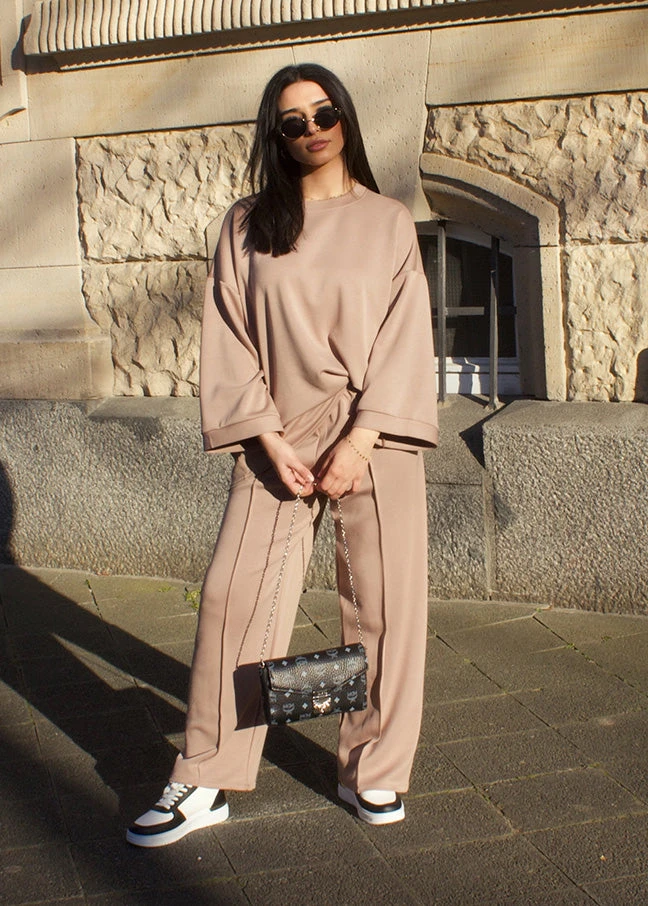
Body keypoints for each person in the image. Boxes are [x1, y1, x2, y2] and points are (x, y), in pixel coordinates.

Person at [127, 63, 438, 847]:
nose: (312, 130)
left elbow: (405, 338)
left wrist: (361, 439)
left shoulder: (387, 221)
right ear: (276, 135)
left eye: (324, 112)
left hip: (376, 432)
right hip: (276, 434)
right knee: (235, 600)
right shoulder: (246, 224)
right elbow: (230, 335)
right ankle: (207, 773)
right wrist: (265, 436)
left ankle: (374, 768)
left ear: (346, 117)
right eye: (293, 121)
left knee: (386, 607)